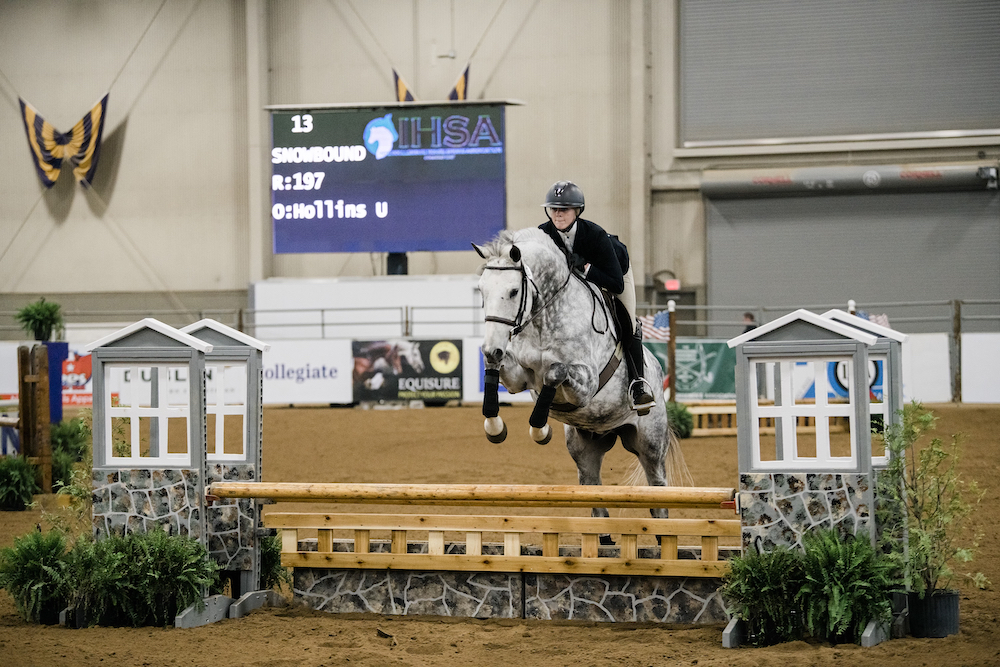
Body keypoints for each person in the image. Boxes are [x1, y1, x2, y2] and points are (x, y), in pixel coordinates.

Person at [538, 180, 655, 413]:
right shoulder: (543, 233)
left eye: (564, 209)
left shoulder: (595, 235)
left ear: (577, 211)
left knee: (627, 321)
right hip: (572, 286)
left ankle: (638, 384)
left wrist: (587, 268)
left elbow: (616, 284)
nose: (558, 214)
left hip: (614, 273)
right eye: (554, 209)